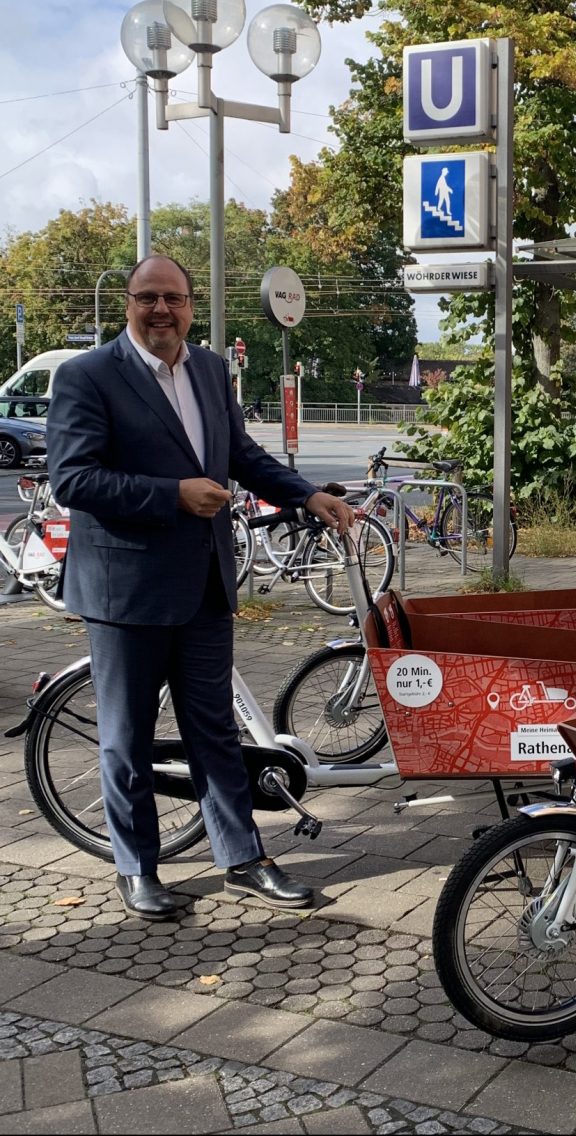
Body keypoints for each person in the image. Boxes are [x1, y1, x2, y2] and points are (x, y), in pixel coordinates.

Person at [46, 255, 356, 923]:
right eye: (148, 298)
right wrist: (172, 495)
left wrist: (305, 494)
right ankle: (137, 868)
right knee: (126, 737)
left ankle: (242, 858)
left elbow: (241, 456)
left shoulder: (212, 370)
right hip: (123, 590)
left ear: (191, 305)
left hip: (205, 583)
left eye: (175, 299)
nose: (162, 310)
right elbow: (72, 479)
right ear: (128, 303)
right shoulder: (87, 376)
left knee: (213, 732)